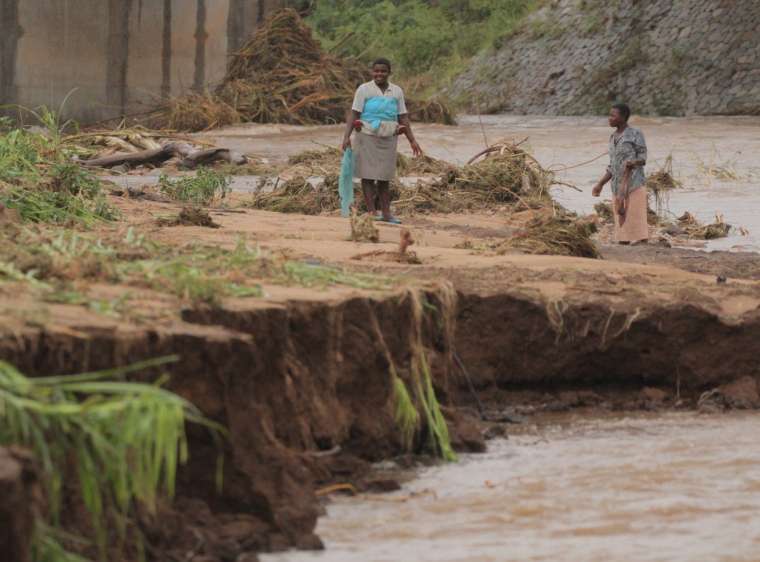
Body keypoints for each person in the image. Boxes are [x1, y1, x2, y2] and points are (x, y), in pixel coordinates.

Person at [341, 58, 422, 224]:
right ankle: (372, 212)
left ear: (389, 73)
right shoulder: (364, 89)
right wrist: (346, 137)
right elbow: (354, 114)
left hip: (389, 136)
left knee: (385, 177)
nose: (379, 74)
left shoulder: (397, 91)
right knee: (368, 175)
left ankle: (386, 213)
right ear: (372, 72)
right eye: (376, 71)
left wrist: (412, 140)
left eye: (383, 71)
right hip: (366, 134)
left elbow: (403, 117)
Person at [592, 103, 649, 245]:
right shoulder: (612, 137)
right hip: (617, 187)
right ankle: (623, 242)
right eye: (609, 115)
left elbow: (643, 159)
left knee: (636, 219)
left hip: (634, 183)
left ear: (623, 117)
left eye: (613, 115)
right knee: (621, 221)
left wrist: (633, 163)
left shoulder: (635, 133)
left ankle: (642, 243)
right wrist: (600, 184)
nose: (609, 118)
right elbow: (612, 166)